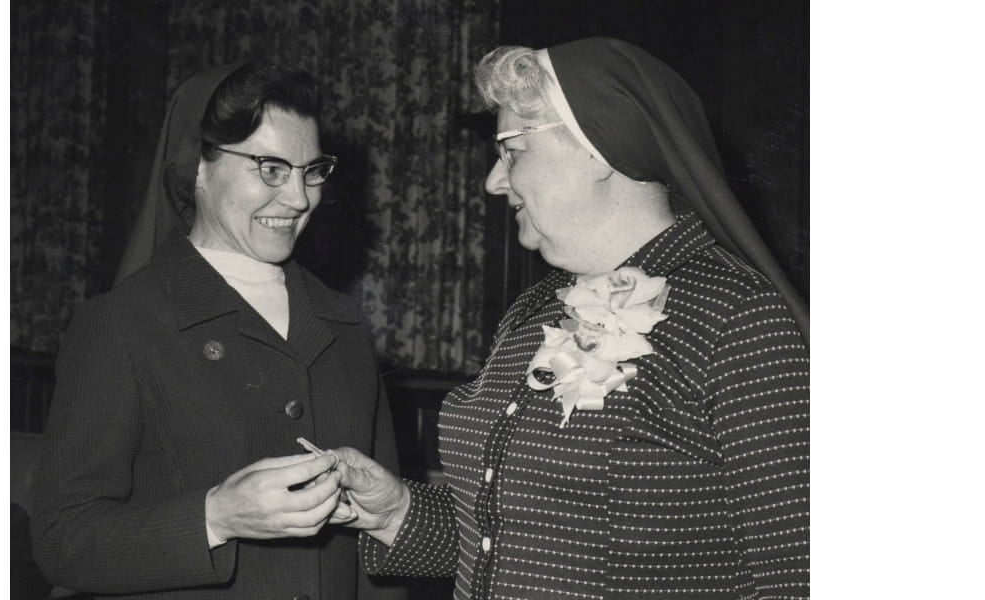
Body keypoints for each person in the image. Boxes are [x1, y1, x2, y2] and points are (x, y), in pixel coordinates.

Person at [330, 37, 810, 599]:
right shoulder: (532, 311)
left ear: (599, 149)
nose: (493, 180)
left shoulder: (741, 320)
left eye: (511, 150)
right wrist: (394, 512)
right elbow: (523, 537)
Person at [30, 61, 405, 600]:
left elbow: (380, 553)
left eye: (311, 169)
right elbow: (61, 541)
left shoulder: (342, 323)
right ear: (197, 169)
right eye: (271, 168)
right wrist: (215, 518)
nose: (300, 198)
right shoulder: (120, 323)